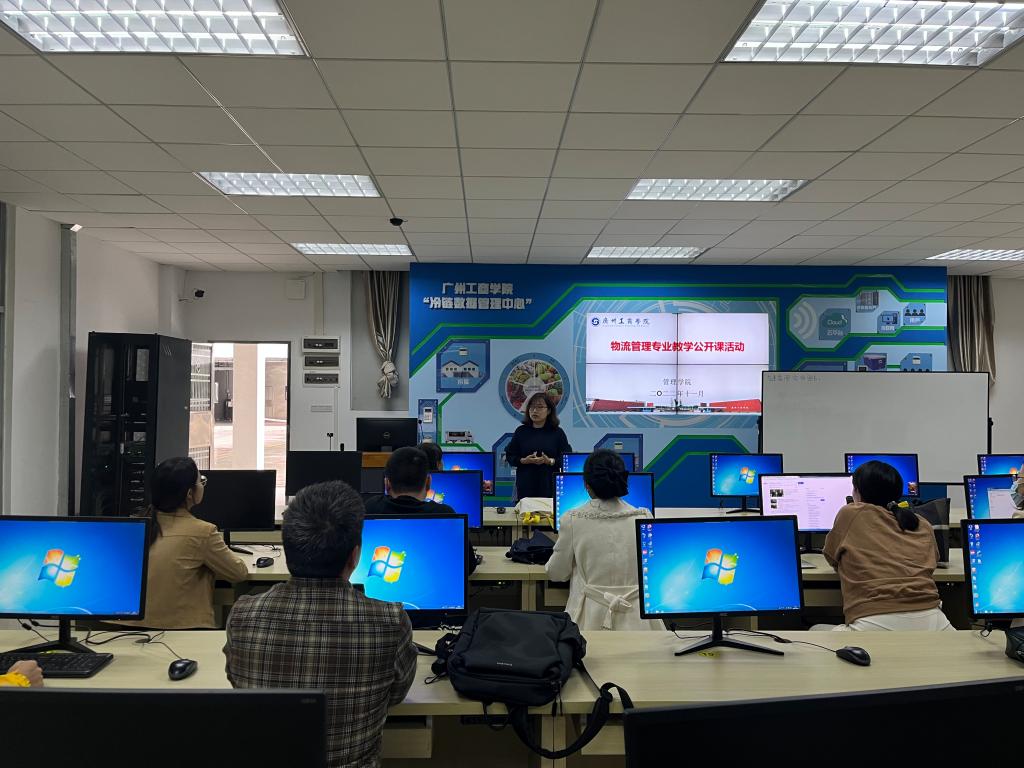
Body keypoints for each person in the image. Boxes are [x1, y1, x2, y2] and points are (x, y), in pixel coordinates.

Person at [224, 480, 417, 768]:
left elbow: (236, 681)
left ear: (286, 550)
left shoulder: (241, 615)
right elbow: (396, 695)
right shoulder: (391, 621)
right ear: (355, 556)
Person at [822, 460, 953, 631]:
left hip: (873, 622)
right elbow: (933, 561)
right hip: (934, 621)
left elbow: (831, 557)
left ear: (858, 492)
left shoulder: (851, 513)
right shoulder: (922, 523)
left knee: (814, 632)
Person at [122, 457, 248, 629]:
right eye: (200, 481)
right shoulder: (203, 532)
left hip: (122, 627)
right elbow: (238, 573)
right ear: (190, 494)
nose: (202, 485)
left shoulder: (132, 527)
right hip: (178, 630)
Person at [546, 450, 662, 631]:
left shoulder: (572, 519)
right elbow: (654, 573)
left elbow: (557, 574)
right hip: (640, 622)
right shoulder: (644, 516)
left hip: (588, 621)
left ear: (587, 484)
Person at [364, 447, 477, 576]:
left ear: (387, 484)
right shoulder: (445, 515)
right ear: (428, 483)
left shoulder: (371, 508)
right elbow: (469, 566)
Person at [505, 392, 572, 499]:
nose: (535, 411)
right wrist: (523, 461)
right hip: (525, 486)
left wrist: (550, 461)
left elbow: (566, 459)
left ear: (549, 410)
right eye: (532, 407)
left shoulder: (557, 433)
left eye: (540, 407)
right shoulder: (521, 431)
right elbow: (510, 455)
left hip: (549, 486)